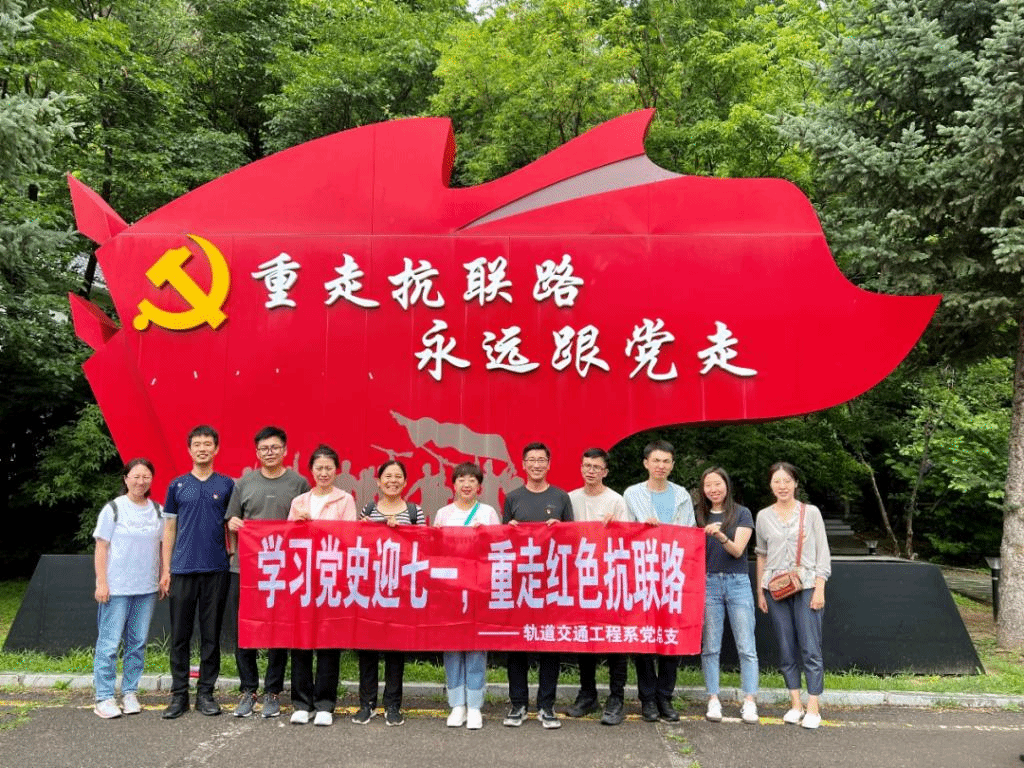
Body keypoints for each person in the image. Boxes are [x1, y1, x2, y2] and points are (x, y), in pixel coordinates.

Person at [225, 425, 310, 718]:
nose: (269, 453)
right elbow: (232, 519)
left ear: (285, 450)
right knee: (245, 629)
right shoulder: (244, 483)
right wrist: (233, 525)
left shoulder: (298, 483)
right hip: (246, 568)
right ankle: (248, 689)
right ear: (257, 452)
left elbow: (308, 523)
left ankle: (273, 690)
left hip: (283, 569)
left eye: (274, 448)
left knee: (279, 629)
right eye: (264, 449)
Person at [161, 425, 234, 719]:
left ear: (216, 449)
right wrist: (166, 569)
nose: (202, 449)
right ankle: (179, 695)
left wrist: (232, 552)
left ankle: (206, 693)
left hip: (216, 569)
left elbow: (232, 525)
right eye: (197, 444)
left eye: (207, 444)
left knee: (210, 635)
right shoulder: (177, 485)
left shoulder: (227, 485)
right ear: (189, 450)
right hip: (182, 569)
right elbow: (169, 528)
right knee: (180, 635)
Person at [502, 442, 573, 730]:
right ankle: (518, 704)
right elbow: (502, 541)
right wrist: (511, 530)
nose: (536, 465)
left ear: (549, 464)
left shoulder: (561, 497)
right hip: (520, 584)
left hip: (551, 582)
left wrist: (560, 529)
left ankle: (546, 706)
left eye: (541, 460)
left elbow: (572, 538)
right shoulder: (512, 497)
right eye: (531, 460)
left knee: (549, 645)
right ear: (523, 464)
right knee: (516, 645)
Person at [623, 439, 695, 723]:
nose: (661, 466)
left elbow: (689, 532)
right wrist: (643, 529)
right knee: (644, 639)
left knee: (670, 637)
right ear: (646, 463)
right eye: (656, 461)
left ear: (672, 465)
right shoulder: (632, 494)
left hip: (673, 575)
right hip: (642, 574)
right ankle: (647, 699)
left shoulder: (682, 495)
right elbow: (624, 534)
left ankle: (665, 696)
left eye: (666, 461)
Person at [755, 462, 831, 730]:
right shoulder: (763, 516)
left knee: (810, 647)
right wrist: (760, 591)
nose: (782, 486)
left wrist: (820, 587)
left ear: (796, 483)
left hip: (807, 584)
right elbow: (761, 555)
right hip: (775, 589)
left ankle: (813, 707)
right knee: (786, 646)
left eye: (787, 480)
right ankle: (795, 704)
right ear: (770, 485)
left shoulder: (811, 513)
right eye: (777, 481)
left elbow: (822, 551)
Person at [287, 444, 357, 727]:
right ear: (311, 471)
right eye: (319, 468)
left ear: (336, 471)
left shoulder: (345, 500)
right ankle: (301, 703)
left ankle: (325, 704)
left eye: (329, 468)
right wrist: (298, 523)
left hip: (331, 578)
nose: (324, 473)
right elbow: (288, 540)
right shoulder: (299, 501)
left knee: (329, 640)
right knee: (301, 640)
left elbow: (349, 537)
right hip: (303, 579)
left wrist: (318, 527)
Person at [352, 459, 425, 727]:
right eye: (388, 476)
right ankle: (367, 704)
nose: (392, 481)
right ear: (379, 481)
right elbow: (356, 545)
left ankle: (393, 704)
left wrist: (403, 533)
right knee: (367, 648)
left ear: (405, 482)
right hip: (370, 588)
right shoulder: (368, 510)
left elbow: (424, 546)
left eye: (398, 477)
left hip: (401, 589)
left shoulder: (415, 512)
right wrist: (365, 528)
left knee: (396, 649)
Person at [92, 458, 164, 719]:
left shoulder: (158, 510)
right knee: (109, 644)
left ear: (151, 480)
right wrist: (101, 582)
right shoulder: (113, 509)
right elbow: (101, 547)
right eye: (135, 476)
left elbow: (162, 546)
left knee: (137, 643)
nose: (140, 481)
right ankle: (104, 696)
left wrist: (163, 575)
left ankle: (130, 692)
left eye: (146, 477)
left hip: (146, 588)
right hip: (117, 588)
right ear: (126, 479)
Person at [433, 462, 500, 730]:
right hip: (450, 589)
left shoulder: (488, 512)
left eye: (472, 480)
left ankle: (474, 705)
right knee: (451, 645)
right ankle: (456, 704)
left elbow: (498, 549)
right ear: (453, 485)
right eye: (461, 479)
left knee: (475, 645)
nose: (466, 484)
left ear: (479, 486)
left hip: (478, 587)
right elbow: (434, 550)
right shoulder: (443, 514)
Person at [566, 447, 628, 726]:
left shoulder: (616, 500)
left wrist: (615, 527)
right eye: (587, 466)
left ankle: (616, 698)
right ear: (581, 468)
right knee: (585, 638)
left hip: (610, 578)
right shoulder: (570, 499)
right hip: (580, 579)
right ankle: (587, 694)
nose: (591, 471)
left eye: (596, 467)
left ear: (606, 472)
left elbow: (628, 540)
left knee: (616, 640)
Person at [696, 466, 759, 724]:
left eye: (718, 484)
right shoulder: (697, 515)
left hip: (737, 583)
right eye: (708, 485)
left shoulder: (742, 513)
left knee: (747, 647)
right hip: (707, 583)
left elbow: (737, 550)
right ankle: (713, 698)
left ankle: (750, 700)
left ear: (727, 485)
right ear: (703, 489)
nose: (713, 489)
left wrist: (720, 535)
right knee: (710, 647)